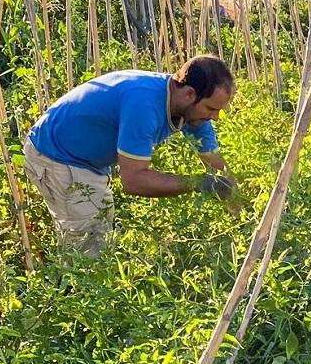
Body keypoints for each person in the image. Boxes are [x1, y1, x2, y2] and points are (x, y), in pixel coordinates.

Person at [22, 55, 240, 257]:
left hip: (86, 162)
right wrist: (199, 183)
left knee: (99, 235)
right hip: (56, 155)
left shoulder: (192, 111)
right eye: (212, 109)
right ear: (190, 93)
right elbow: (134, 181)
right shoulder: (144, 104)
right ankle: (68, 295)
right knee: (89, 249)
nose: (216, 117)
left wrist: (239, 206)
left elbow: (217, 164)